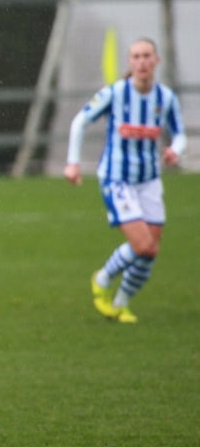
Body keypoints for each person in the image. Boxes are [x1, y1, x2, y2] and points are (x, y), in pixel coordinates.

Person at [64, 37, 187, 324]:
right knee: (143, 245)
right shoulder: (116, 93)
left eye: (147, 56)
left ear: (156, 61)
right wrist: (73, 163)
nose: (142, 61)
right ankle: (103, 277)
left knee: (150, 251)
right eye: (136, 56)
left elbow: (179, 133)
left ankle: (120, 304)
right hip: (117, 179)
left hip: (150, 180)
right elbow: (80, 121)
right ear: (130, 63)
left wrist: (175, 150)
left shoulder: (165, 98)